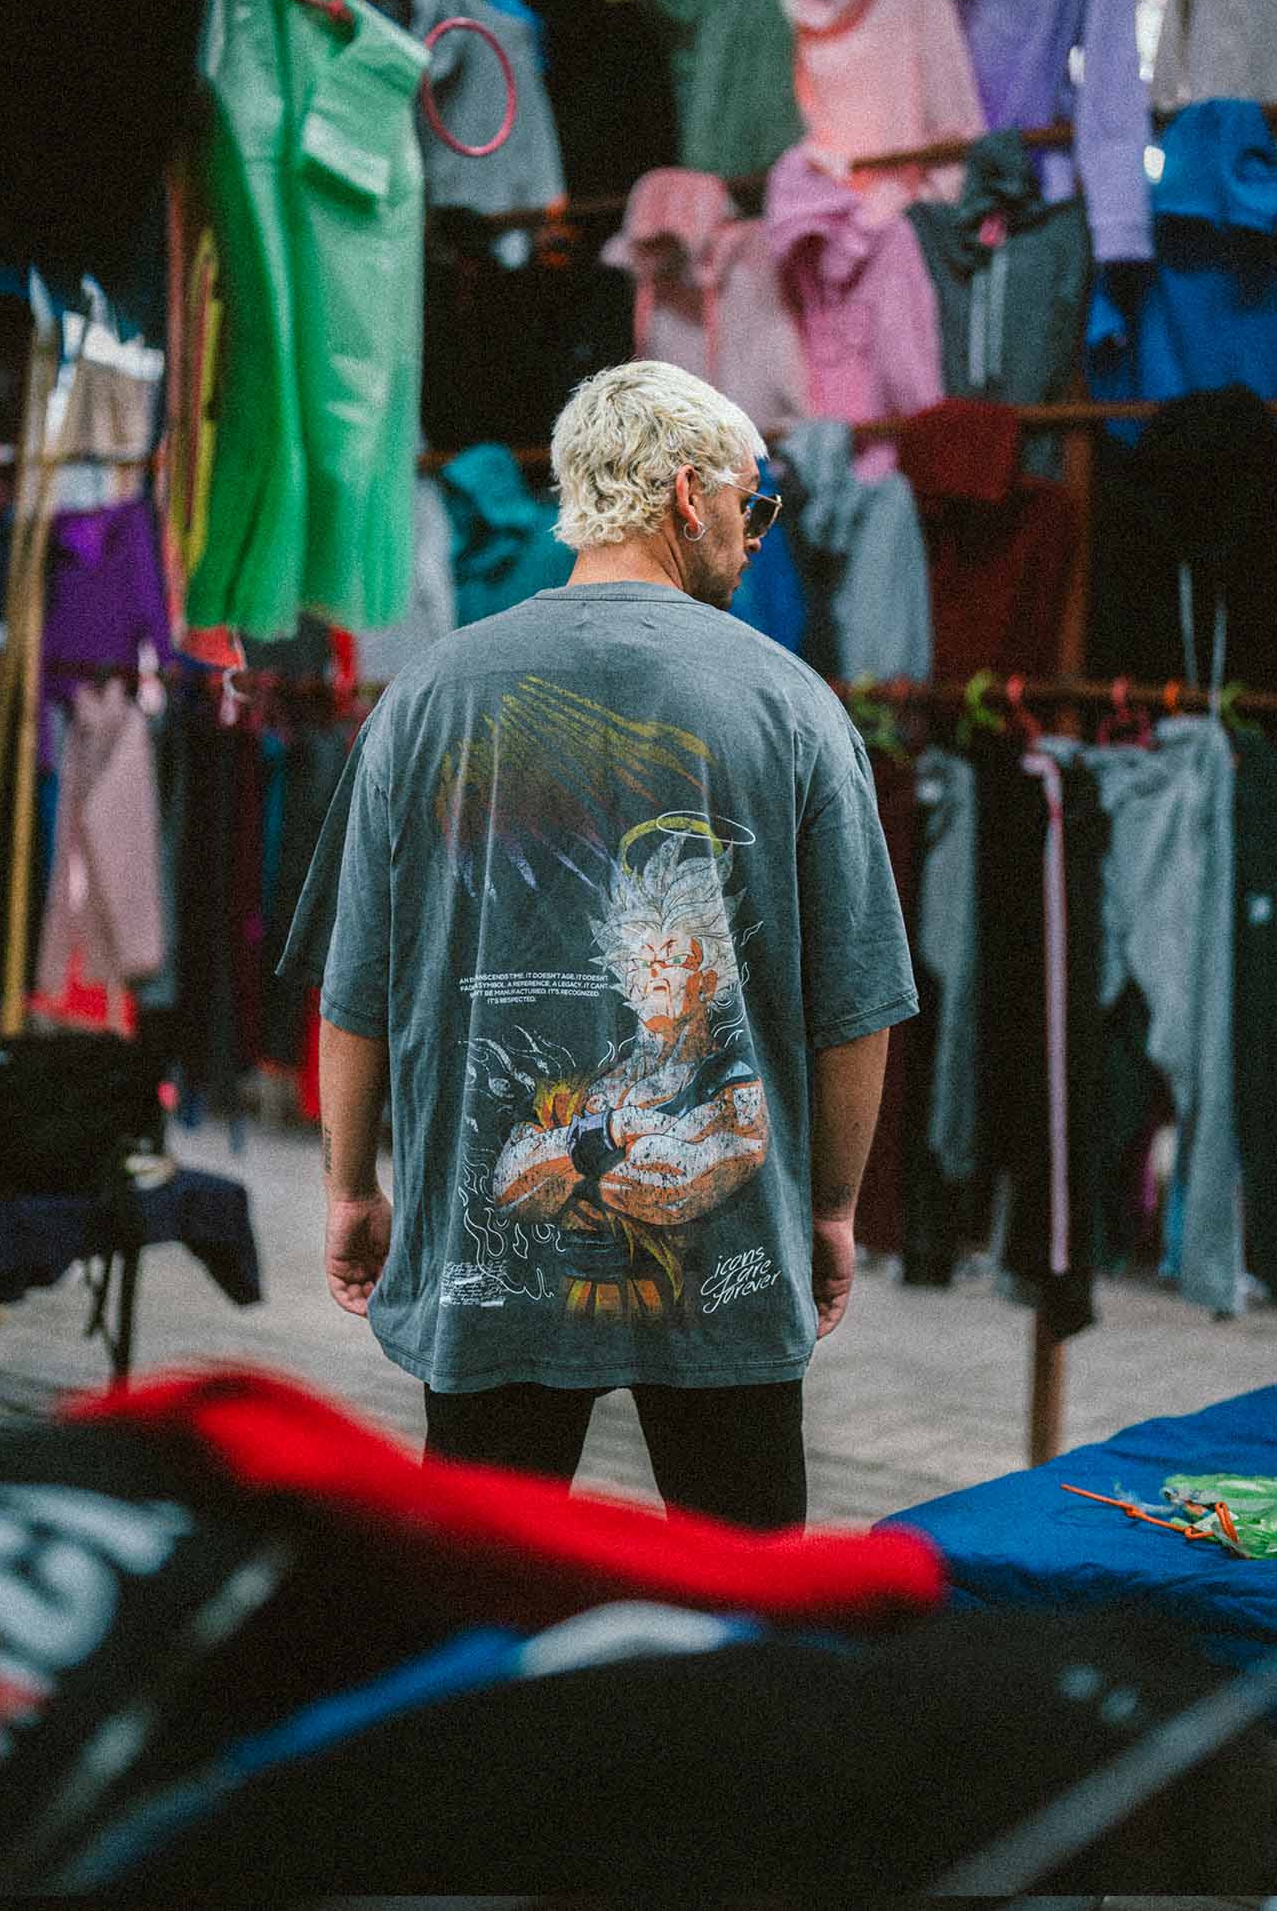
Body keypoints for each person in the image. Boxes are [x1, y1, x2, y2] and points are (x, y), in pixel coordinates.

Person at [282, 360, 918, 1529]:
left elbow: (354, 987)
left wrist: (349, 1187)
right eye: (750, 505)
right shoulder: (794, 709)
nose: (755, 537)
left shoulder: (423, 699)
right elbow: (855, 1007)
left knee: (476, 1590)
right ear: (686, 494)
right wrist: (828, 1210)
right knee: (743, 1599)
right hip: (729, 1277)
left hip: (485, 1276)